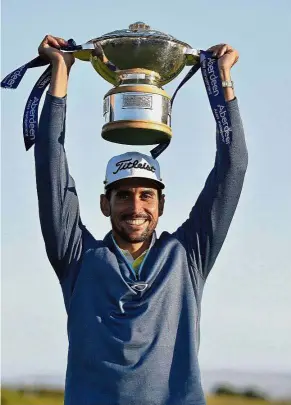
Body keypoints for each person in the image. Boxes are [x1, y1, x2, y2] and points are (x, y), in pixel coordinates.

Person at [35, 35, 248, 405]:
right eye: (123, 195)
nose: (136, 206)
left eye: (146, 195)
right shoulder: (77, 257)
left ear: (161, 204)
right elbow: (49, 166)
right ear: (105, 203)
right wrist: (60, 73)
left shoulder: (186, 256)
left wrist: (222, 82)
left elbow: (234, 166)